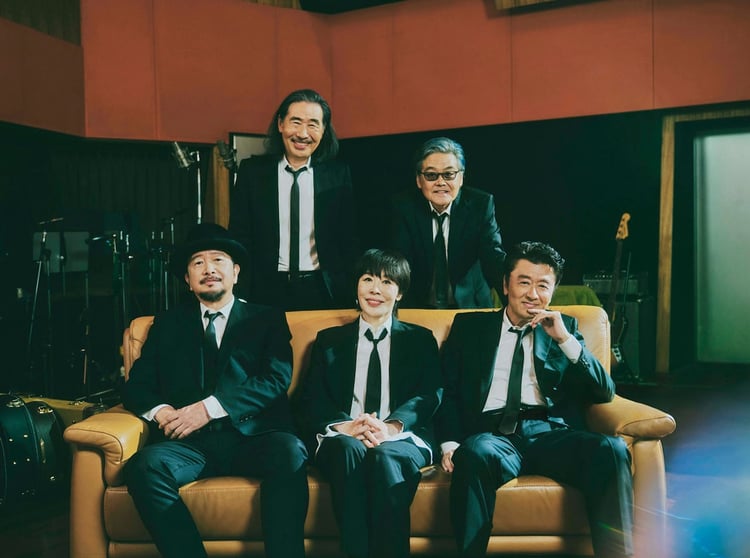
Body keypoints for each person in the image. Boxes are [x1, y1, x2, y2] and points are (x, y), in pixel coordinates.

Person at [121, 222, 308, 558]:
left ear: (235, 272)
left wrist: (207, 409)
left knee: (291, 452)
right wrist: (162, 412)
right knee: (144, 466)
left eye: (218, 260)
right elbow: (137, 387)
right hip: (190, 445)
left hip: (254, 439)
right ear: (187, 279)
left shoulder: (266, 319)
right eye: (198, 263)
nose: (208, 269)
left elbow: (275, 379)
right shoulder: (167, 325)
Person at [437, 241, 633, 558]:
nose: (532, 294)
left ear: (552, 291)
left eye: (543, 285)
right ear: (506, 285)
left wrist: (564, 339)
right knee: (472, 452)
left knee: (612, 449)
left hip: (548, 434)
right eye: (524, 282)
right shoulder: (469, 328)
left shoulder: (564, 329)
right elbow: (447, 391)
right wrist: (449, 442)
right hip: (491, 436)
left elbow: (603, 391)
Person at [296, 248, 442, 558]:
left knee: (385, 456)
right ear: (356, 287)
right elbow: (312, 397)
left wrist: (391, 427)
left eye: (387, 282)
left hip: (400, 436)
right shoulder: (329, 341)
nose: (375, 289)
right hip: (343, 435)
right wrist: (346, 426)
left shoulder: (420, 340)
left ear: (400, 293)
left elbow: (430, 394)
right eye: (368, 279)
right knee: (348, 450)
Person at [229, 88, 357, 310]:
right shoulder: (252, 172)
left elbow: (348, 239)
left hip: (323, 290)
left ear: (324, 130)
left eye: (313, 124)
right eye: (296, 122)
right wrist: (239, 291)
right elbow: (240, 236)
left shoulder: (338, 175)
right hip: (265, 290)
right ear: (280, 124)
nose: (303, 134)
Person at [390, 136, 505, 309]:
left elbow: (493, 257)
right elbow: (399, 262)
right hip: (418, 306)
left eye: (449, 174)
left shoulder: (480, 205)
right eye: (431, 175)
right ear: (419, 180)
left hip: (470, 304)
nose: (440, 182)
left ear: (461, 177)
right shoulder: (404, 207)